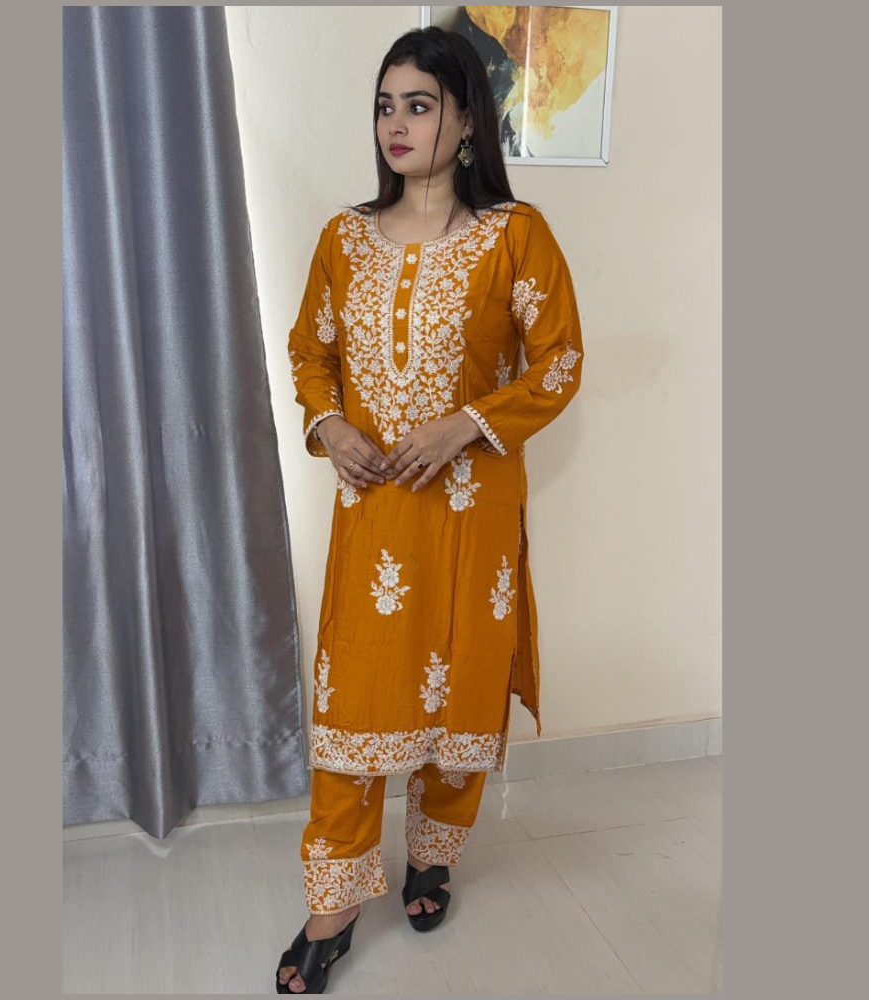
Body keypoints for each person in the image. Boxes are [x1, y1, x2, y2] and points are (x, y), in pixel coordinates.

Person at [276, 26, 583, 994]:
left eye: (418, 104)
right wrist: (329, 424)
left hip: (471, 511)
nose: (396, 124)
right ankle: (332, 903)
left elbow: (559, 363)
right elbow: (310, 350)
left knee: (460, 690)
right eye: (385, 105)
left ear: (466, 122)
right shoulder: (344, 237)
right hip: (376, 511)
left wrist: (467, 424)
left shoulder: (514, 234)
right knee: (357, 698)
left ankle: (432, 855)